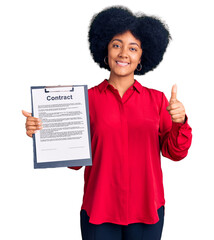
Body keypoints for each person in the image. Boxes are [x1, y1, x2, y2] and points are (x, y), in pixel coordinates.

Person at [22, 6, 192, 240]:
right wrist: (43, 131)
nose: (124, 53)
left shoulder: (158, 100)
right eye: (116, 45)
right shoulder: (86, 100)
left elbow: (175, 153)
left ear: (142, 56)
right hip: (99, 212)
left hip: (146, 211)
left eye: (133, 48)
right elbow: (74, 162)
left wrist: (179, 122)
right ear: (105, 50)